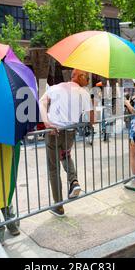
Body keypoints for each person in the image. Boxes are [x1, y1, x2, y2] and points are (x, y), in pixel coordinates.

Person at [39, 69, 94, 217]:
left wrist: (46, 122)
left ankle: (59, 206)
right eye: (85, 76)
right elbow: (91, 120)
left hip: (53, 131)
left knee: (53, 168)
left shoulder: (56, 88)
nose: (87, 80)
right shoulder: (85, 93)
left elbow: (42, 102)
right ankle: (74, 181)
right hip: (70, 133)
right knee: (65, 156)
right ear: (75, 76)